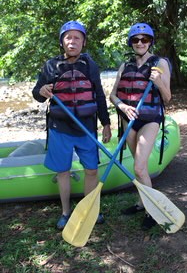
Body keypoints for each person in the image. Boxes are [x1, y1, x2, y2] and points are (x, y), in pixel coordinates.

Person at [32, 20, 111, 229]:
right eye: (68, 37)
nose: (72, 41)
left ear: (83, 42)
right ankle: (66, 212)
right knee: (63, 172)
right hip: (60, 128)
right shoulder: (51, 65)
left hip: (86, 127)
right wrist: (42, 91)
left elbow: (99, 95)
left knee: (92, 170)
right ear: (62, 42)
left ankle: (90, 209)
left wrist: (106, 123)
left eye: (77, 37)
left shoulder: (89, 65)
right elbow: (37, 93)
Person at [110, 22, 171, 230]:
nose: (140, 43)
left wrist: (159, 82)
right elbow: (112, 95)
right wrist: (123, 106)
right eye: (136, 40)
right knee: (139, 166)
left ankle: (151, 210)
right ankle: (141, 202)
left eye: (144, 39)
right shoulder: (124, 66)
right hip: (129, 119)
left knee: (138, 166)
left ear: (150, 42)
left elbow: (168, 97)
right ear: (131, 43)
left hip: (150, 119)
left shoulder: (160, 63)